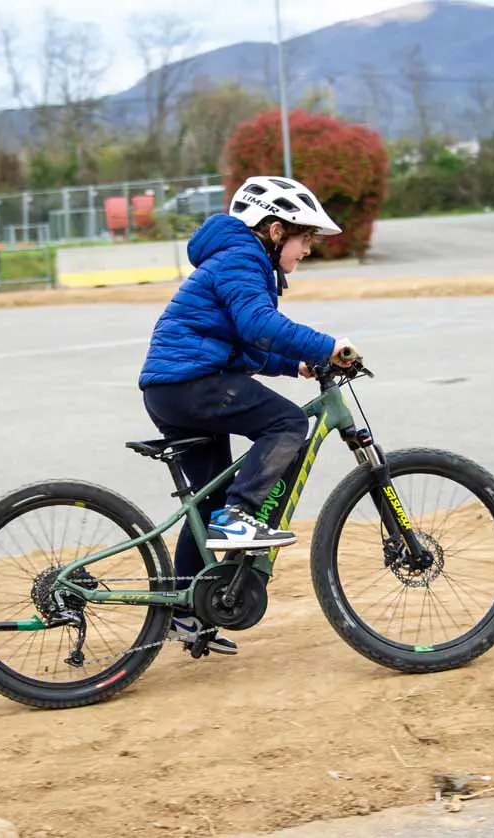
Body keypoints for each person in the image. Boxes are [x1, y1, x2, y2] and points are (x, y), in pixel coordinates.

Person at [137, 175, 357, 655]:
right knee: (286, 423)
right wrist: (327, 345)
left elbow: (245, 344)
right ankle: (238, 518)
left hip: (176, 388)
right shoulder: (242, 257)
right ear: (276, 230)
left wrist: (295, 363)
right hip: (188, 384)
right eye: (305, 239)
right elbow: (258, 323)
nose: (309, 250)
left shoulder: (238, 258)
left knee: (206, 501)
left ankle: (184, 611)